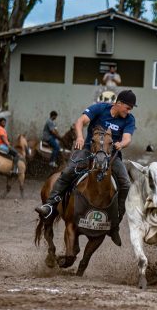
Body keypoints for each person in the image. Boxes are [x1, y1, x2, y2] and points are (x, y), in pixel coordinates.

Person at [35, 89, 137, 246]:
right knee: (68, 172)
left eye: (131, 109)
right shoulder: (99, 108)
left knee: (125, 184)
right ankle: (50, 205)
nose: (129, 111)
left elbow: (127, 138)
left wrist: (121, 144)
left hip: (112, 156)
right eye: (128, 107)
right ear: (119, 103)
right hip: (89, 150)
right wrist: (81, 137)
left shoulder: (129, 119)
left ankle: (114, 224)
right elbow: (80, 121)